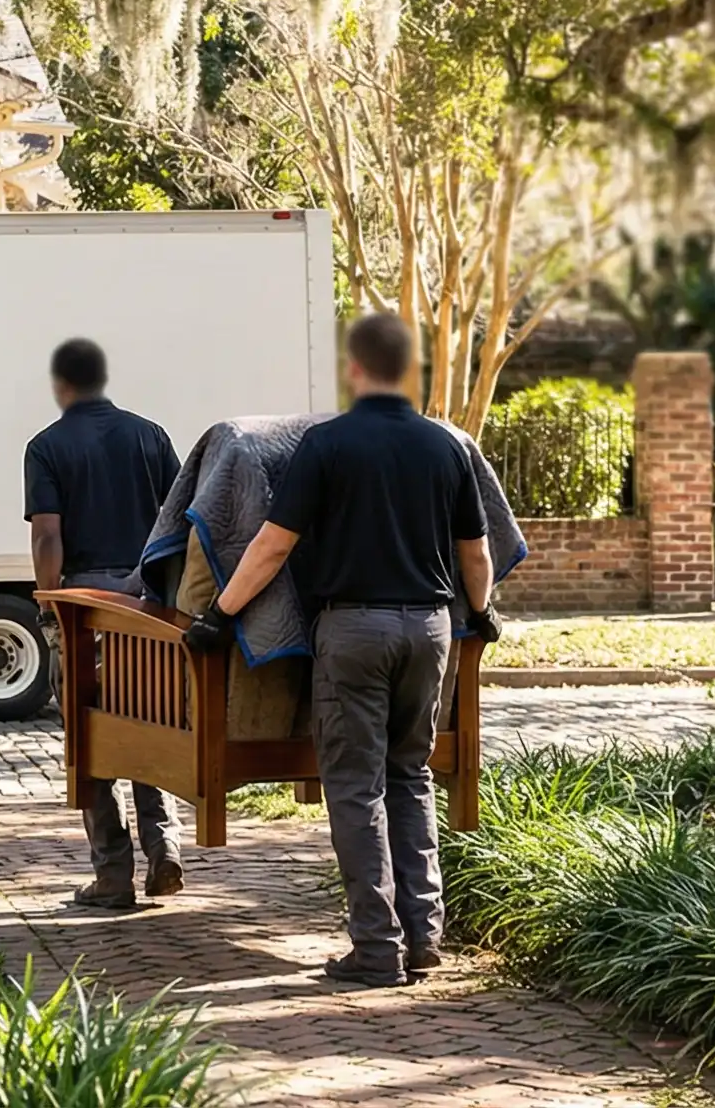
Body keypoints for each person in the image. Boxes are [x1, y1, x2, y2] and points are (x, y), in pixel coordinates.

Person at [185, 313, 502, 986]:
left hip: (354, 632)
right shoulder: (447, 447)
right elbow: (475, 553)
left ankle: (376, 948)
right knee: (410, 776)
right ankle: (424, 938)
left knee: (355, 787)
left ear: (354, 371)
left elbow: (272, 545)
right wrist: (481, 611)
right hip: (430, 630)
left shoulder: (328, 445)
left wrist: (220, 613)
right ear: (408, 371)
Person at [26, 336, 185, 910]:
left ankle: (112, 874)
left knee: (89, 734)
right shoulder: (151, 436)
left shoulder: (47, 446)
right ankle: (163, 846)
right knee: (149, 721)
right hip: (147, 605)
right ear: (103, 379)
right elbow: (180, 522)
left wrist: (48, 603)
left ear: (60, 384)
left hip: (85, 605)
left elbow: (48, 534)